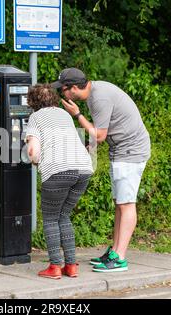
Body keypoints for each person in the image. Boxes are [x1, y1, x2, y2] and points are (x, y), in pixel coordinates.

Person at [51, 68, 151, 273]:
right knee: (119, 203)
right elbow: (100, 133)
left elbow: (100, 135)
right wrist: (88, 146)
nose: (62, 94)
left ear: (74, 89)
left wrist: (77, 115)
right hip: (122, 150)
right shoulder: (95, 93)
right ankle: (114, 251)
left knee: (127, 203)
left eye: (63, 90)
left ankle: (120, 258)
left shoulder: (99, 98)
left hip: (130, 151)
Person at [25, 84, 93, 279]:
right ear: (53, 99)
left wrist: (36, 161)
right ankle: (71, 266)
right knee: (64, 216)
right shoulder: (64, 115)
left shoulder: (35, 118)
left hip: (58, 171)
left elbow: (33, 152)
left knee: (50, 219)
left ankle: (55, 267)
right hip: (83, 169)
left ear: (33, 102)